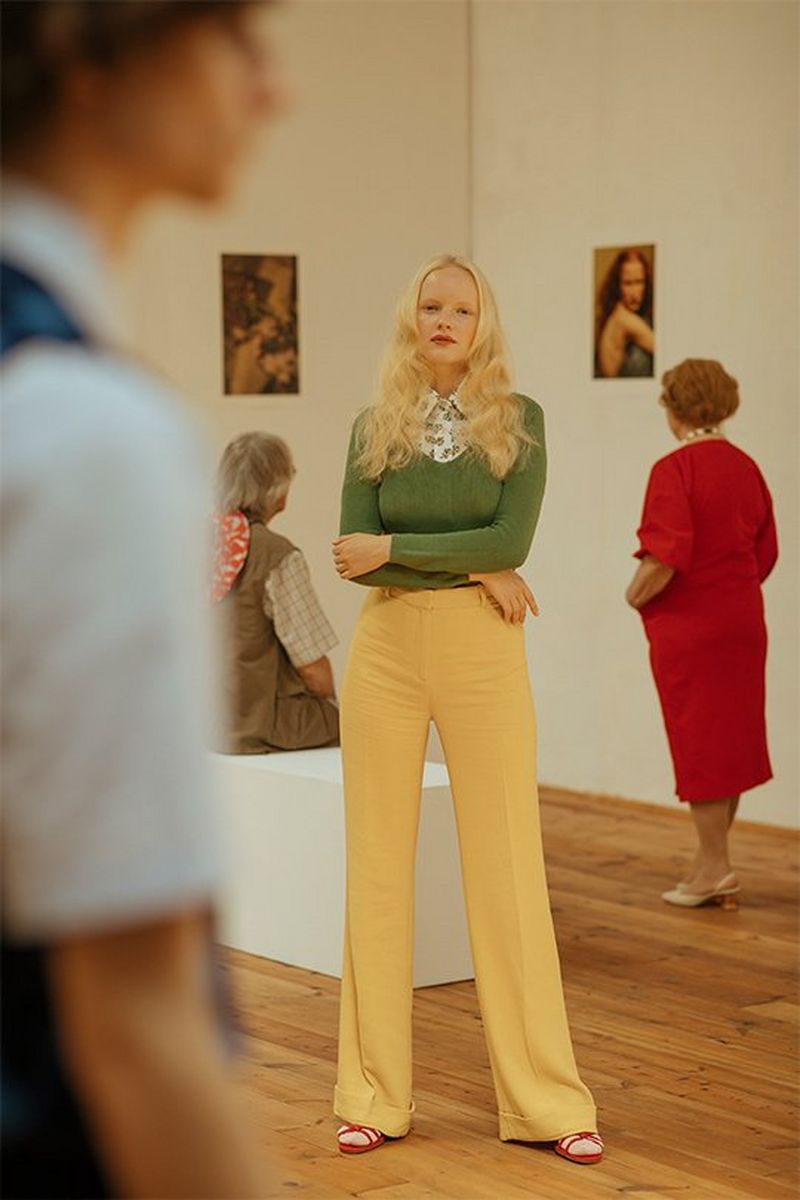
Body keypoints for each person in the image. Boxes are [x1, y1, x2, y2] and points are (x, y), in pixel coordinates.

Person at [1, 3, 281, 1197]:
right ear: (88, 50)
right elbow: (136, 1025)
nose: (271, 90)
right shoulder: (85, 430)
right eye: (234, 38)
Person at [330, 254, 603, 1167]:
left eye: (462, 309)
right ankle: (371, 1095)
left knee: (508, 868)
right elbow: (351, 555)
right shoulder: (373, 425)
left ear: (484, 324)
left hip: (485, 650)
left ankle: (548, 1102)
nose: (445, 320)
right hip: (385, 649)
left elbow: (511, 536)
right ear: (411, 319)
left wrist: (408, 551)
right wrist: (476, 563)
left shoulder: (520, 422)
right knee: (376, 867)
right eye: (431, 307)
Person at [626, 359, 778, 908]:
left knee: (701, 744)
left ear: (675, 408)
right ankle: (710, 862)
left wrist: (634, 594)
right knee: (729, 742)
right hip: (743, 622)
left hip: (692, 629)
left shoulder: (675, 469)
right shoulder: (746, 467)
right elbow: (766, 552)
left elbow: (666, 554)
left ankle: (715, 867)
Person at [213, 431, 340, 753]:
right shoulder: (276, 555)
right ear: (278, 486)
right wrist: (332, 701)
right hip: (255, 726)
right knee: (353, 723)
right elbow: (311, 667)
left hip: (199, 724)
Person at [595, 247, 654, 378]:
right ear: (617, 286)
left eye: (639, 282)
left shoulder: (625, 314)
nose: (634, 293)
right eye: (628, 283)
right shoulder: (623, 318)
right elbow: (665, 351)